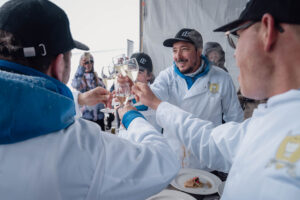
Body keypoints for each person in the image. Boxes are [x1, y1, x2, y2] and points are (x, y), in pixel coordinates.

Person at [0, 1, 180, 200]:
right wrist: (129, 114)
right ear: (59, 64)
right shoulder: (85, 150)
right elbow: (164, 162)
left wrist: (80, 99)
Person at [125, 0, 300, 199]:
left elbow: (226, 125)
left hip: (207, 171)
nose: (234, 53)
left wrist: (154, 104)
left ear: (267, 31)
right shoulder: (266, 122)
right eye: (174, 50)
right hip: (175, 164)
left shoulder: (222, 78)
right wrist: (136, 100)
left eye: (237, 37)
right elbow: (209, 140)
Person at [149, 28, 243, 169]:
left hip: (207, 163)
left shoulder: (221, 78)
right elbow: (150, 99)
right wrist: (133, 90)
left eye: (184, 49)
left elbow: (235, 119)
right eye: (174, 50)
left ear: (199, 51)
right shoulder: (167, 77)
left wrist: (231, 157)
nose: (178, 56)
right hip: (173, 162)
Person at [72, 52, 112, 130]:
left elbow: (106, 96)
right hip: (86, 119)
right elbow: (75, 84)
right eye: (86, 62)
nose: (89, 64)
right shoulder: (80, 81)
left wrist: (110, 112)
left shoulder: (99, 80)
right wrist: (81, 68)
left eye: (91, 61)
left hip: (100, 120)